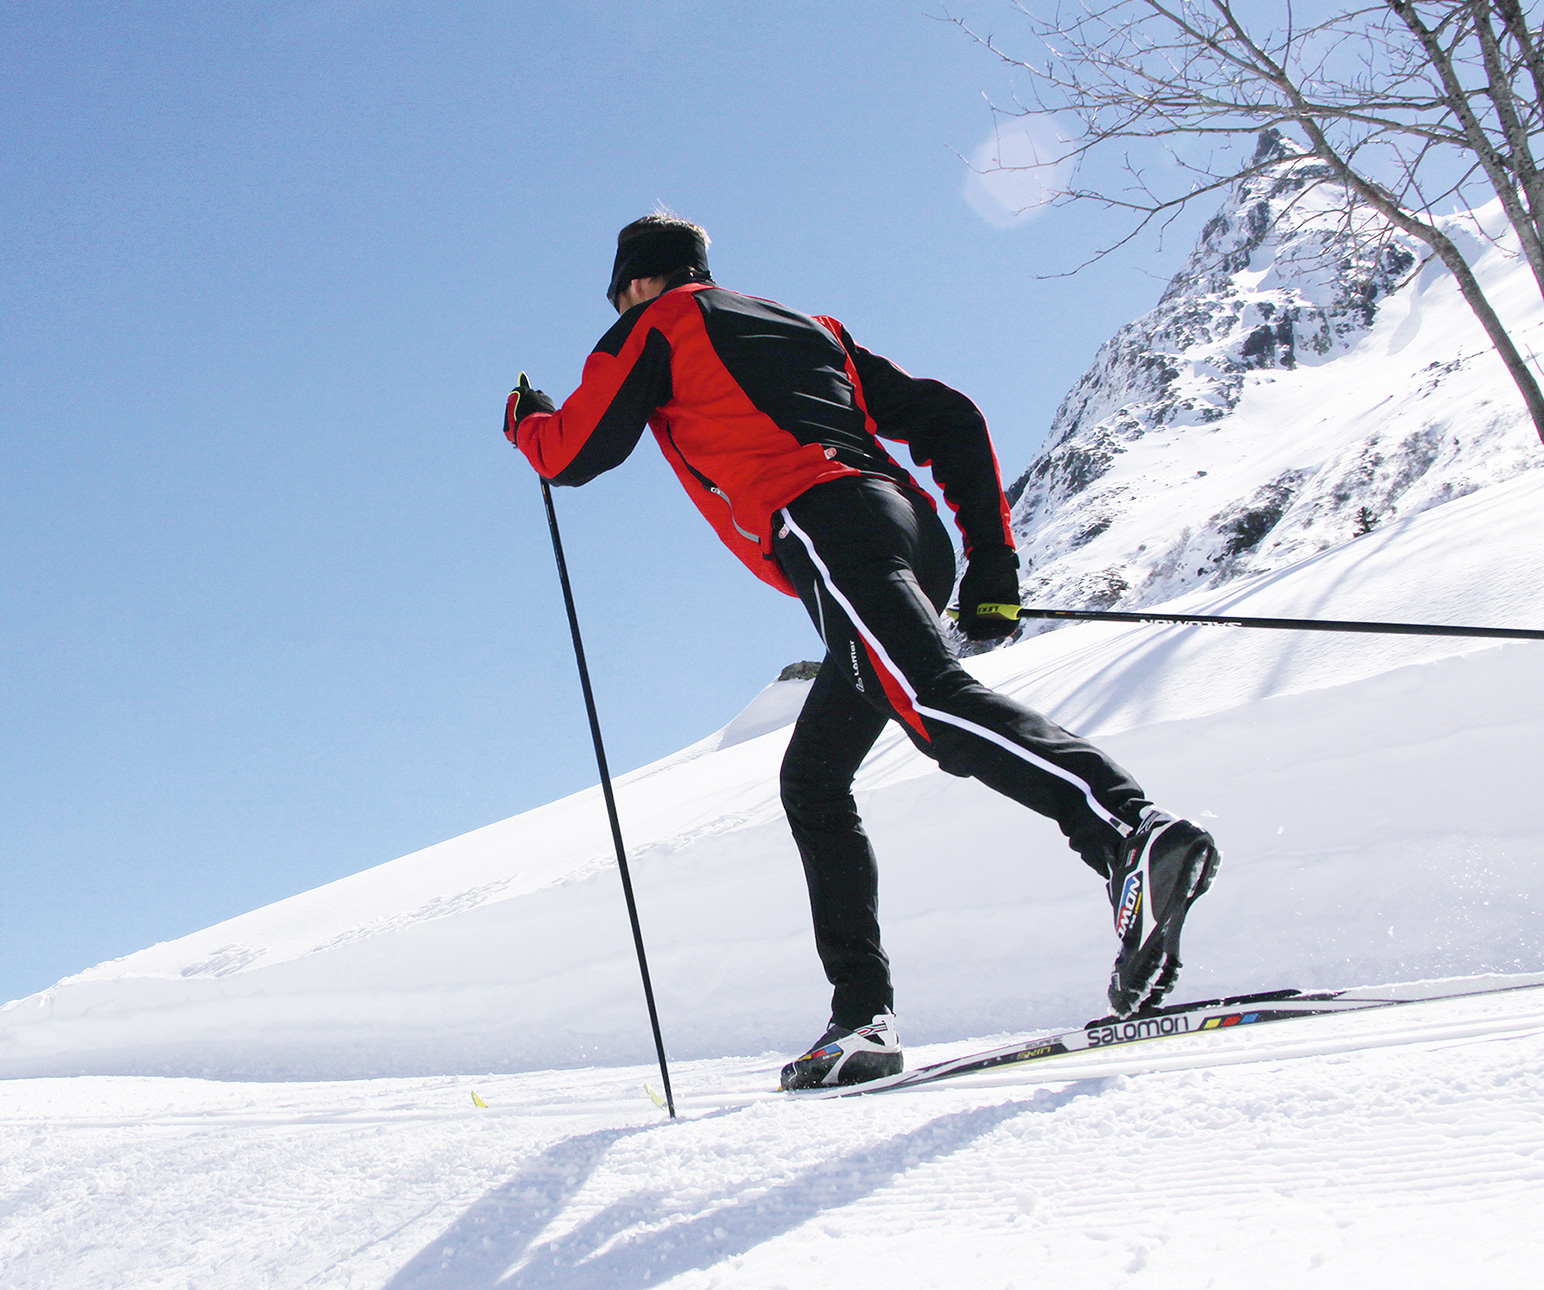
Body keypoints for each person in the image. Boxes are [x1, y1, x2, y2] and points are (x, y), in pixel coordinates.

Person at [504, 214, 1220, 1090]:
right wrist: (992, 562)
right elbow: (948, 415)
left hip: (824, 520)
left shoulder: (655, 326)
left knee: (931, 702)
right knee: (813, 777)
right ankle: (859, 1020)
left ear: (640, 283)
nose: (620, 305)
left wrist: (526, 420)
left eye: (620, 291)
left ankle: (1128, 833)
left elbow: (576, 452)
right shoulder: (813, 328)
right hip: (902, 525)